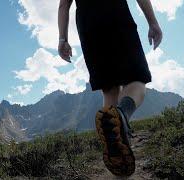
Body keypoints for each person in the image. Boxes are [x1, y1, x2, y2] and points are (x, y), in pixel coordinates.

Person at [58, 0, 162, 177]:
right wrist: (153, 22)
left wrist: (63, 39)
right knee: (137, 79)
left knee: (109, 88)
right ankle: (122, 114)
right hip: (116, 13)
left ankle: (118, 160)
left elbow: (63, 6)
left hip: (88, 24)